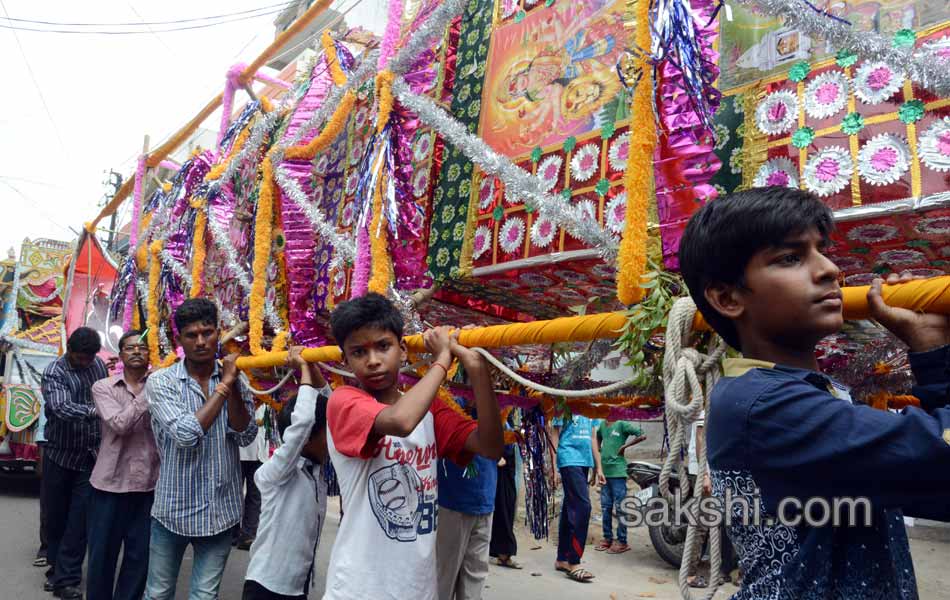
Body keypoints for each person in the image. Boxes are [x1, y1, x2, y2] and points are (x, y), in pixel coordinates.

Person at [678, 186, 950, 599]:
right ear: (727, 297)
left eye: (821, 249)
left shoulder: (809, 393)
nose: (828, 269)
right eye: (791, 258)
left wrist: (932, 347)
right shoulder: (766, 406)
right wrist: (937, 360)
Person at [322, 292, 504, 600]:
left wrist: (476, 371)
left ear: (403, 350)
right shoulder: (343, 402)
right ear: (346, 361)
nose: (374, 361)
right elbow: (401, 420)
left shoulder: (430, 411)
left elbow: (489, 448)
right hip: (358, 589)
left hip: (418, 589)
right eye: (359, 352)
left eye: (383, 346)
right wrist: (443, 360)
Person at [144, 298, 258, 600]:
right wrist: (224, 386)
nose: (201, 341)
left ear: (218, 332)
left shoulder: (236, 378)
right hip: (173, 510)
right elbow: (186, 434)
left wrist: (232, 385)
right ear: (179, 339)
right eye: (191, 335)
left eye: (207, 332)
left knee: (205, 596)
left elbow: (246, 435)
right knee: (158, 594)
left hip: (221, 512)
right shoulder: (161, 382)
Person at [243, 346, 333, 600]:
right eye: (327, 432)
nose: (334, 439)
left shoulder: (316, 471)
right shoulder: (276, 472)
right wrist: (303, 372)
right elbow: (303, 423)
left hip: (298, 586)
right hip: (265, 587)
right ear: (306, 439)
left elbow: (330, 407)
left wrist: (312, 369)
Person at [86, 329, 159, 600]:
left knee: (140, 558)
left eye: (142, 347)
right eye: (130, 348)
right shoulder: (103, 387)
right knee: (101, 556)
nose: (137, 352)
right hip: (109, 486)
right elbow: (120, 425)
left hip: (150, 486)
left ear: (150, 354)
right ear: (120, 355)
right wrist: (149, 392)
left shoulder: (161, 387)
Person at [41, 326, 109, 599]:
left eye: (89, 358)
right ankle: (55, 569)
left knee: (79, 520)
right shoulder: (54, 371)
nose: (85, 363)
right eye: (81, 358)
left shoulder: (99, 366)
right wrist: (98, 412)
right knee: (56, 517)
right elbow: (61, 408)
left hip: (89, 457)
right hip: (59, 455)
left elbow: (106, 393)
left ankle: (67, 580)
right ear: (70, 351)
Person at [436, 396, 498, 600]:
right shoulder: (449, 404)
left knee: (475, 581)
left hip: (485, 502)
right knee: (442, 581)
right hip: (452, 503)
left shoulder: (494, 409)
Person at [550, 413, 603, 583]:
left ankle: (561, 559)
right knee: (583, 507)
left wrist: (598, 467)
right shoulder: (563, 403)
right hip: (568, 457)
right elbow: (555, 434)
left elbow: (593, 438)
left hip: (585, 461)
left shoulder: (591, 406)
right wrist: (553, 466)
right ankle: (574, 561)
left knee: (569, 508)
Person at [593, 419, 644, 555]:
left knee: (621, 508)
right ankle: (607, 538)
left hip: (618, 471)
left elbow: (642, 435)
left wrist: (624, 447)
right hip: (604, 472)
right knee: (605, 507)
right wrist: (599, 449)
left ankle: (622, 541)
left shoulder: (622, 424)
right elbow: (596, 437)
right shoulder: (603, 425)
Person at [234, 404, 266, 550]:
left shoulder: (272, 389)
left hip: (261, 450)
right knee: (234, 493)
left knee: (256, 494)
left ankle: (248, 534)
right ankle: (231, 532)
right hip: (239, 450)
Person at [489, 442, 520, 570]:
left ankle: (502, 551)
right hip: (498, 456)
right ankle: (503, 552)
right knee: (502, 505)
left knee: (507, 503)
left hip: (509, 457)